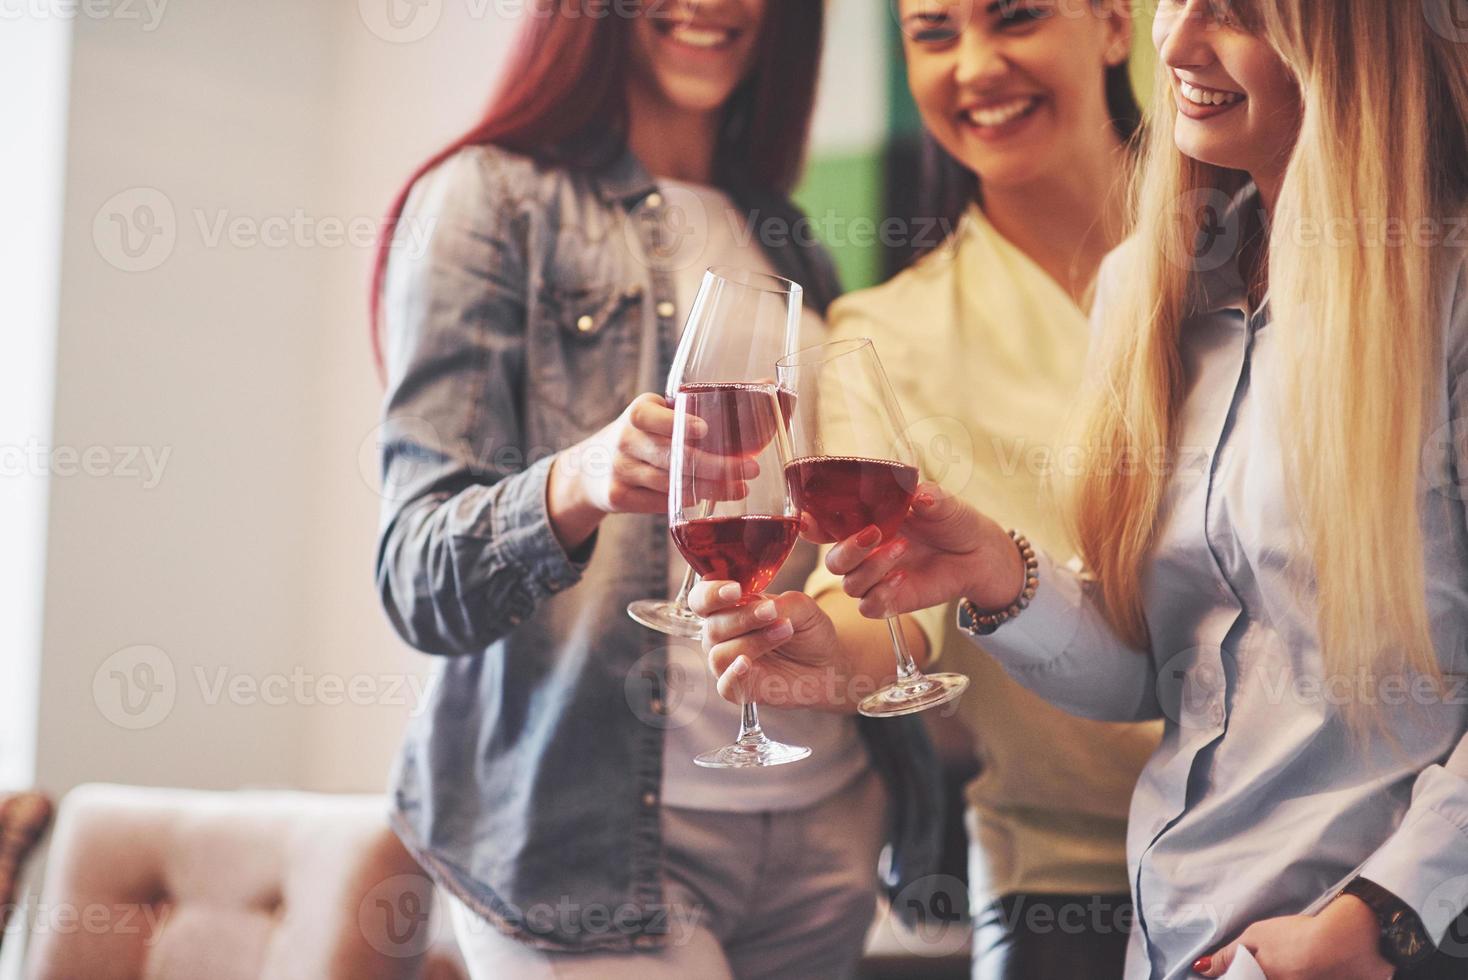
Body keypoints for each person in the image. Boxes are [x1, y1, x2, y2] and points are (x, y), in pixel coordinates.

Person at [695, 1, 1468, 978]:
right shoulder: (1153, 296)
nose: (1179, 43)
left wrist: (1379, 916)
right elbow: (1158, 676)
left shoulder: (1442, 293)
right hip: (1172, 931)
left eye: (1233, 16)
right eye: (1179, 2)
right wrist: (1000, 573)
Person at [369, 2, 942, 977]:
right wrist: (576, 481)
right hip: (584, 848)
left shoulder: (785, 236)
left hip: (821, 830)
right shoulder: (489, 200)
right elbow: (414, 576)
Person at [698, 1, 1158, 977]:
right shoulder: (884, 329)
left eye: (1017, 18)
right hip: (1061, 878)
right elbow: (891, 608)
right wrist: (824, 652)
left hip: (1309, 841)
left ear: (1115, 25)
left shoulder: (1252, 257)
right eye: (934, 33)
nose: (976, 66)